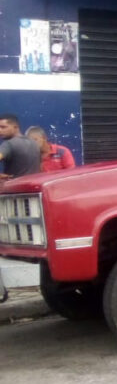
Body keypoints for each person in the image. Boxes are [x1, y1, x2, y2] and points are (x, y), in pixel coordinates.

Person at [0, 113, 42, 303]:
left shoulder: (8, 145)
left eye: (3, 127)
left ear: (15, 127)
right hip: (32, 194)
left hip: (13, 194)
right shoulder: (32, 144)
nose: (0, 131)